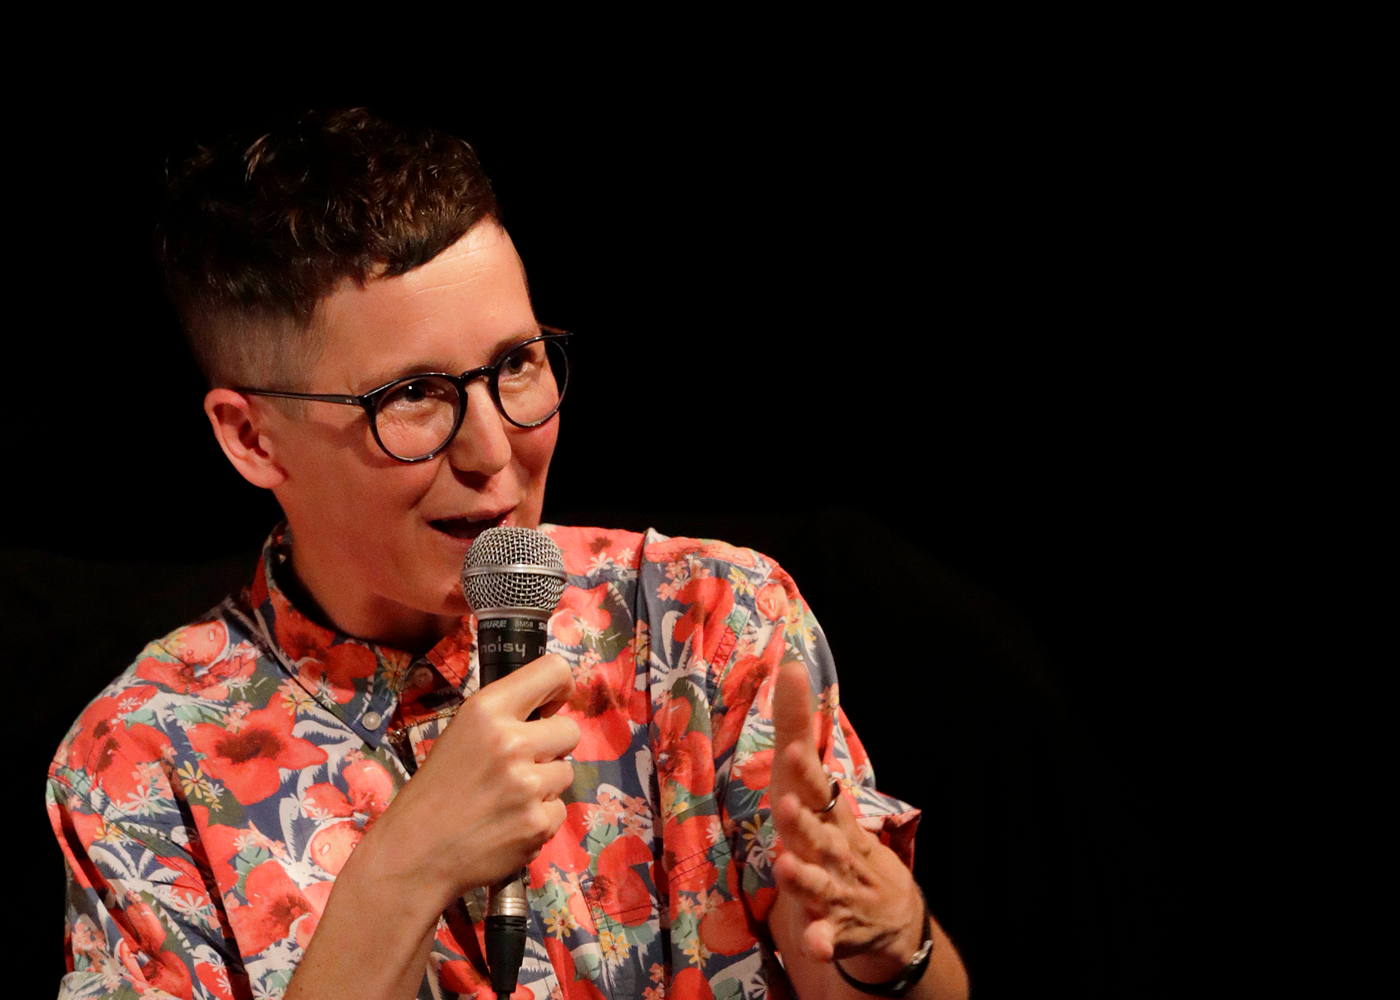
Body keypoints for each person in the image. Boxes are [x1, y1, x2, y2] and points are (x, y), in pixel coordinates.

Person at [45, 108, 969, 1000]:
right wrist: (402, 874)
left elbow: (868, 978)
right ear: (251, 437)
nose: (494, 450)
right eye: (414, 394)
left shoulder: (705, 622)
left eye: (516, 364)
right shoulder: (141, 758)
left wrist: (895, 946)